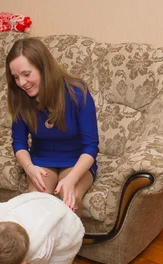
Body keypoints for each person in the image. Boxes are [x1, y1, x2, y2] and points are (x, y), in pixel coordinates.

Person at [6, 38, 99, 216]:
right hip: (41, 160)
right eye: (16, 77)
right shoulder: (19, 96)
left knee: (70, 200)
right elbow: (19, 143)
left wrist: (72, 179)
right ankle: (41, 244)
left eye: (27, 74)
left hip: (76, 161)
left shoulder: (77, 92)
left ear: (44, 67)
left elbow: (91, 146)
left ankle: (70, 244)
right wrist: (29, 168)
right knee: (36, 201)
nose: (21, 83)